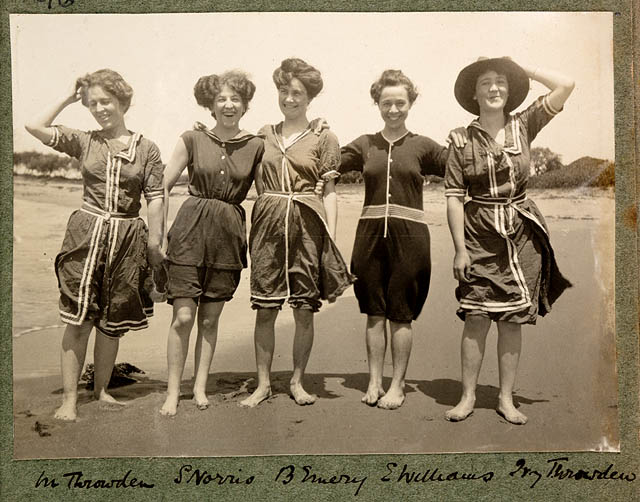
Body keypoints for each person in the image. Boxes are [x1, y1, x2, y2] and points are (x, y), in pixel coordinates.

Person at [24, 69, 165, 421]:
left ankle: (100, 390)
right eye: (92, 104)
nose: (100, 109)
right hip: (86, 236)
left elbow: (157, 198)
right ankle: (70, 399)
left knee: (112, 321)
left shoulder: (147, 148)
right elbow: (34, 127)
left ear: (122, 101)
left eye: (106, 101)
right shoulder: (85, 140)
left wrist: (156, 244)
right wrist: (68, 98)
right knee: (79, 317)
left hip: (127, 238)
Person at [444, 57, 574, 424]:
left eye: (501, 82)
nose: (494, 89)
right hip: (477, 235)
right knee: (476, 316)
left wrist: (524, 69)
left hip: (520, 233)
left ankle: (505, 399)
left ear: (510, 89)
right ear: (475, 93)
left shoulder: (525, 124)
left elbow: (566, 84)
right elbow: (454, 195)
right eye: (486, 82)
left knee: (513, 319)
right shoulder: (460, 138)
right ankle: (467, 397)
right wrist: (458, 249)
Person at [240, 58, 353, 407]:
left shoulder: (325, 136)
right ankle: (262, 385)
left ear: (310, 97)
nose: (289, 99)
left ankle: (298, 381)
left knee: (304, 307)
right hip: (268, 221)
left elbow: (330, 192)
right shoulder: (262, 135)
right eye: (284, 92)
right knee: (266, 307)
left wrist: (330, 238)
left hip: (308, 222)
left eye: (297, 93)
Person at [339, 69, 451, 409]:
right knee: (374, 312)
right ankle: (374, 382)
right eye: (386, 103)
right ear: (377, 103)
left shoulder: (424, 146)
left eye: (400, 103)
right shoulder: (364, 144)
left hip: (410, 237)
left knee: (401, 314)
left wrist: (467, 139)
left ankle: (397, 385)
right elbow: (326, 162)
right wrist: (319, 130)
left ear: (410, 103)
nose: (393, 109)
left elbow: (462, 166)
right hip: (369, 236)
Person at [159, 71, 264, 416]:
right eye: (221, 99)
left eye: (235, 99)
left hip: (228, 237)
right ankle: (174, 392)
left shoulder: (256, 145)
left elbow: (267, 195)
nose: (228, 105)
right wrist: (156, 234)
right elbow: (161, 186)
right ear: (211, 104)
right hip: (189, 231)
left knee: (209, 320)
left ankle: (200, 388)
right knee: (184, 317)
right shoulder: (190, 138)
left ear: (245, 105)